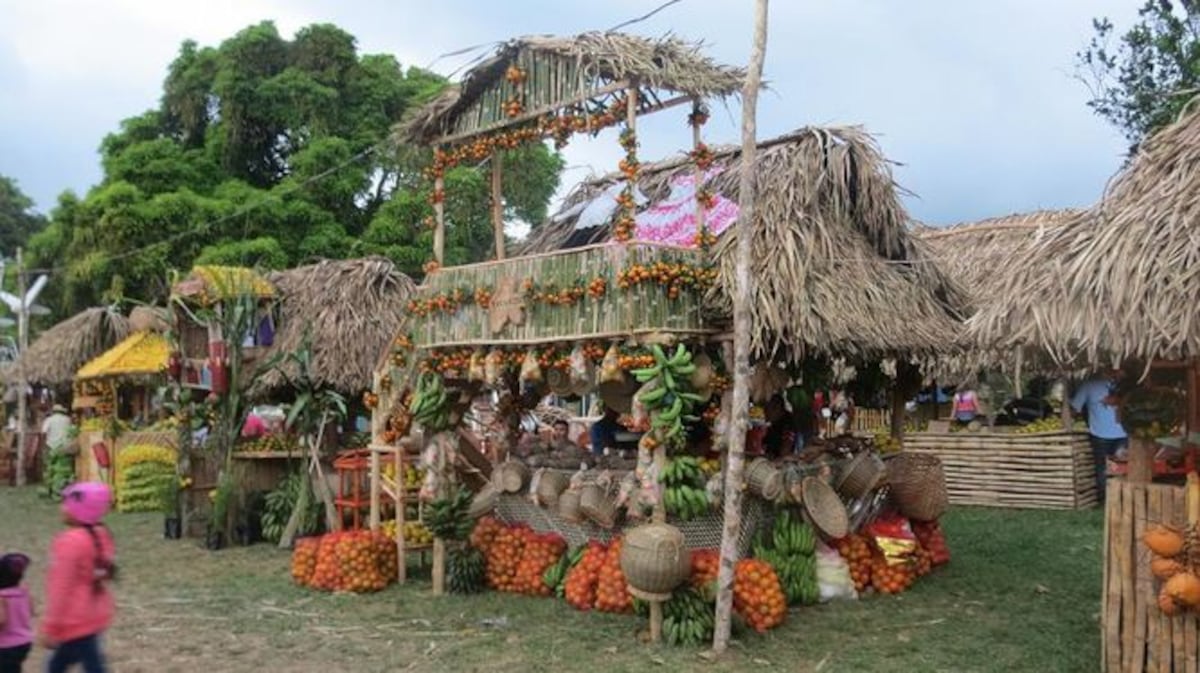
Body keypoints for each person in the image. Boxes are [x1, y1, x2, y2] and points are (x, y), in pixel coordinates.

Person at [41, 482, 117, 673]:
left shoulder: (70, 543)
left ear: (80, 511)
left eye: (66, 504)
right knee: (81, 663)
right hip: (94, 614)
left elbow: (61, 587)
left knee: (61, 666)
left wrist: (51, 626)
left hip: (74, 620)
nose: (61, 508)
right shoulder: (100, 535)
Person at [1071, 370, 1127, 503]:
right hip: (1122, 434)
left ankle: (1106, 501)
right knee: (1122, 467)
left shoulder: (1088, 385)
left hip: (1100, 435)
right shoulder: (1121, 385)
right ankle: (1122, 498)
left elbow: (1074, 408)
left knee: (1103, 468)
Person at [0, 553, 33, 673]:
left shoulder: (2, 597)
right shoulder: (23, 592)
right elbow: (30, 611)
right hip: (25, 642)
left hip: (6, 647)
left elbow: (1, 620)